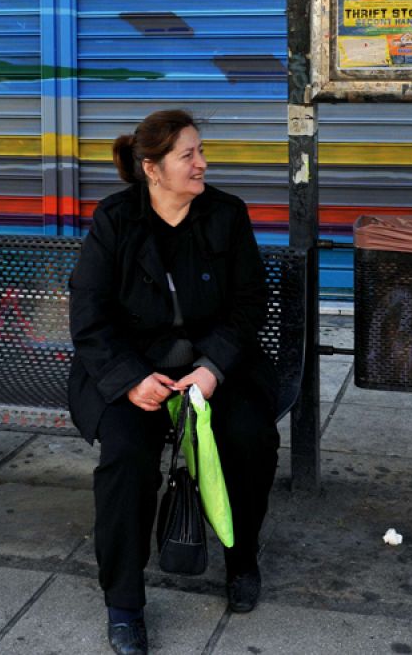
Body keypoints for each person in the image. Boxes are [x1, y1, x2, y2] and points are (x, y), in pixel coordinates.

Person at [68, 109, 278, 655]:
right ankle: (124, 603)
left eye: (201, 151)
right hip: (135, 370)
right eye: (188, 155)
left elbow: (250, 303)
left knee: (249, 438)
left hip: (215, 367)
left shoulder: (226, 215)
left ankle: (242, 556)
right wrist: (131, 380)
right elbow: (89, 315)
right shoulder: (115, 220)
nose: (202, 163)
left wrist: (212, 369)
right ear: (152, 168)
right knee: (126, 457)